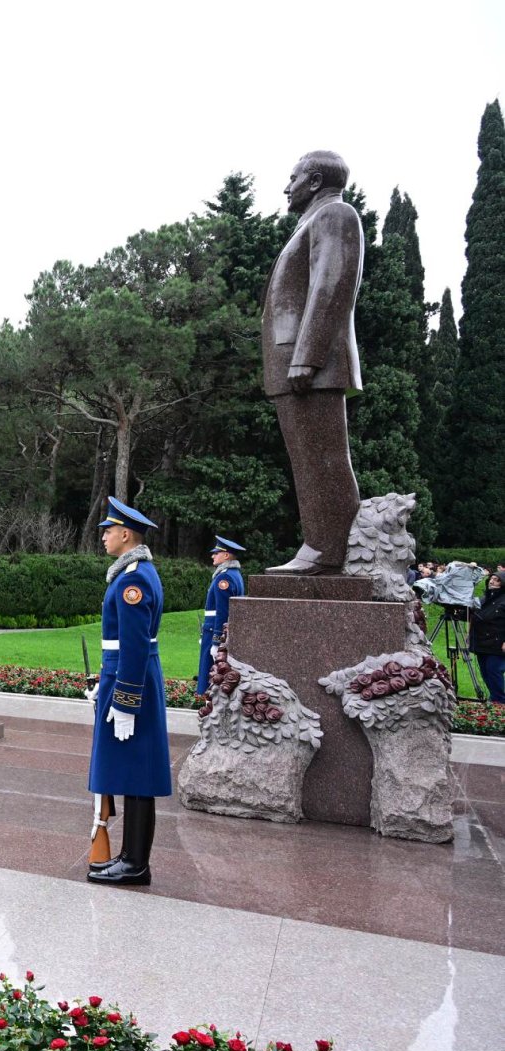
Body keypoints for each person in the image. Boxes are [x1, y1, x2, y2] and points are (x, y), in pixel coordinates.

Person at [263, 151, 365, 575]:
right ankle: (319, 545)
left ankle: (328, 549)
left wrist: (307, 357)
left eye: (293, 178)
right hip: (294, 363)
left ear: (315, 180)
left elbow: (332, 284)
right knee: (307, 458)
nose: (287, 187)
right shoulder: (310, 222)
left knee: (322, 458)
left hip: (308, 365)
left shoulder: (336, 214)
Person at [85, 496, 170, 887]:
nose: (103, 536)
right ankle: (130, 857)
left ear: (125, 534)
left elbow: (134, 646)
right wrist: (105, 682)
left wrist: (125, 700)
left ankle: (135, 863)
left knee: (137, 774)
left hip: (132, 681)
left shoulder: (133, 578)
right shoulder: (133, 572)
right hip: (125, 677)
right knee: (134, 772)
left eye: (108, 530)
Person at [195, 537, 247, 698]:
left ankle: (210, 709)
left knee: (211, 675)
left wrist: (216, 641)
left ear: (226, 556)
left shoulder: (224, 578)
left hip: (214, 632)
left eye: (216, 553)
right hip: (216, 630)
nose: (213, 556)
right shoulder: (234, 574)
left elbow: (222, 612)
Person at [471, 573, 505, 704]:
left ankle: (500, 702)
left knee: (494, 671)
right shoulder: (484, 598)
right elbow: (473, 616)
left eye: (497, 580)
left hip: (497, 643)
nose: (492, 581)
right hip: (481, 642)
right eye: (491, 579)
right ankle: (495, 699)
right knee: (486, 672)